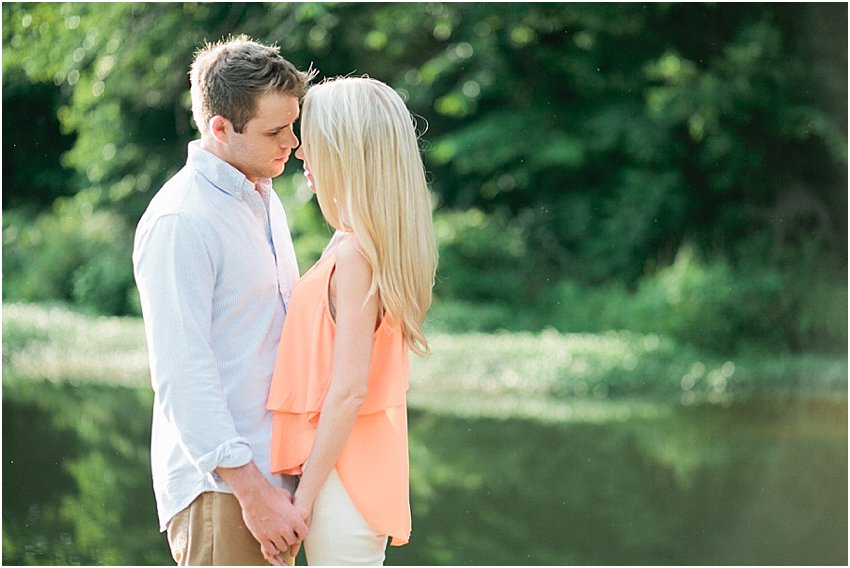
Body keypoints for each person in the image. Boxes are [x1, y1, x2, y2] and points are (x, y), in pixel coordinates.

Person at [132, 35, 315, 566]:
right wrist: (253, 494)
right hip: (224, 492)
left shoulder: (262, 195)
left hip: (274, 481)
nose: (294, 142)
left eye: (293, 124)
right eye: (275, 130)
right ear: (220, 128)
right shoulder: (181, 222)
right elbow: (182, 375)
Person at [265, 76, 437, 566]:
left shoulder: (357, 253)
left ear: (345, 152)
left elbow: (348, 390)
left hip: (345, 479)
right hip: (342, 472)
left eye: (312, 143)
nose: (301, 155)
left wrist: (301, 500)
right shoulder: (356, 243)